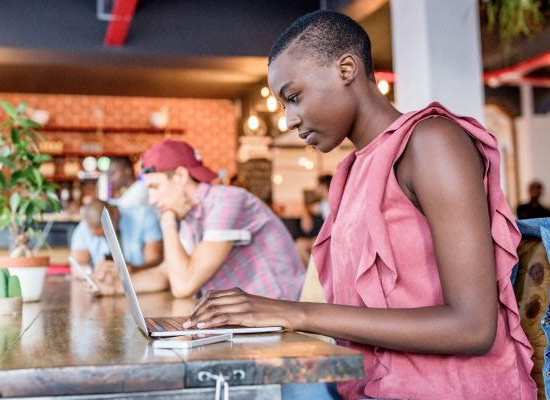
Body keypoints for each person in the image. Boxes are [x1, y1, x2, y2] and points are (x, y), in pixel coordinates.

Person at [184, 11, 536, 400]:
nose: (287, 119)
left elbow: (472, 327)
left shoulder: (432, 141)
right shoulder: (351, 171)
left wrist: (293, 314)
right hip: (370, 385)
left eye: (294, 97)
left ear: (346, 69)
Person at [92, 139, 306, 301]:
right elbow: (164, 274)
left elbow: (183, 285)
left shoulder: (227, 201)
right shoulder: (192, 215)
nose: (152, 198)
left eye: (155, 187)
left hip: (283, 322)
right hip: (249, 321)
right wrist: (115, 288)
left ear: (181, 176)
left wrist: (167, 217)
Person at [70, 199, 163, 280]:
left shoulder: (144, 218)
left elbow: (156, 261)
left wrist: (132, 270)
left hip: (141, 284)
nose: (105, 238)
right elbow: (77, 267)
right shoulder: (83, 229)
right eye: (99, 236)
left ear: (116, 213)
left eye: (107, 233)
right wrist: (93, 270)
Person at [296, 174, 332, 266]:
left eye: (317, 186)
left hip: (333, 239)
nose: (315, 189)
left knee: (302, 245)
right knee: (300, 244)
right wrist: (306, 215)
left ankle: (316, 273)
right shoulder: (323, 204)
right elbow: (308, 208)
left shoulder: (336, 202)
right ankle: (314, 273)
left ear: (323, 187)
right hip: (325, 238)